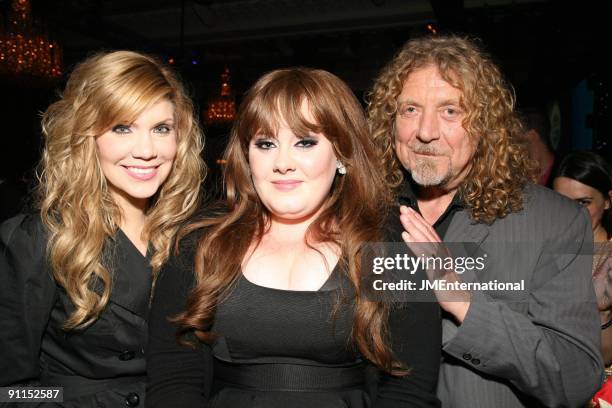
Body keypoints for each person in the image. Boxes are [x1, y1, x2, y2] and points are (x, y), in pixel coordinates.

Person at [146, 68, 441, 407]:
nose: (282, 163)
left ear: (342, 153)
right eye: (266, 143)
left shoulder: (389, 243)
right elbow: (174, 376)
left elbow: (409, 390)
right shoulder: (201, 241)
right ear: (248, 155)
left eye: (305, 142)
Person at [367, 35, 603, 407]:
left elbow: (574, 377)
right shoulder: (358, 211)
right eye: (409, 109)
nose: (425, 132)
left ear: (485, 125)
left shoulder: (553, 222)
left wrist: (464, 303)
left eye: (450, 111)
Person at [0, 50, 204, 407]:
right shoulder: (40, 238)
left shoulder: (190, 234)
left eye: (161, 129)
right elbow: (10, 389)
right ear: (85, 136)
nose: (146, 150)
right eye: (122, 128)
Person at [552, 151, 612, 407]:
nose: (570, 213)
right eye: (560, 202)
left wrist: (601, 313)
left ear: (608, 201)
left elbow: (603, 356)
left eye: (583, 203)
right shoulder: (542, 254)